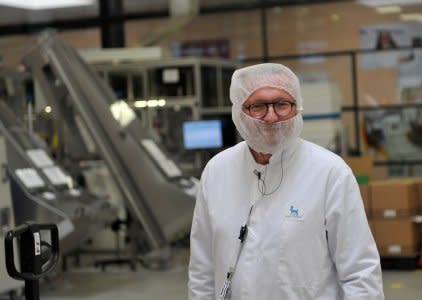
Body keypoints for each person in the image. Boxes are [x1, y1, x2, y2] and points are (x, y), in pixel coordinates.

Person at [188, 63, 384, 299]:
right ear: (239, 112)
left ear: (296, 108)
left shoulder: (329, 172)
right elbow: (202, 269)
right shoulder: (217, 171)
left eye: (282, 104)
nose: (271, 116)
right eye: (258, 106)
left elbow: (360, 272)